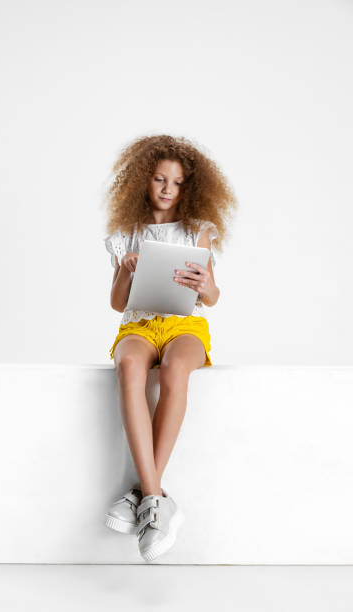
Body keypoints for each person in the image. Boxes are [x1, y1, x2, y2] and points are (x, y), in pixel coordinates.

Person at [102, 134, 237, 561]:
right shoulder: (128, 234)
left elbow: (211, 299)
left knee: (177, 371)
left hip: (184, 325)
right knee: (129, 368)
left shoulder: (198, 231)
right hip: (139, 324)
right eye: (159, 179)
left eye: (175, 182)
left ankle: (144, 494)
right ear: (142, 180)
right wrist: (125, 269)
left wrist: (208, 285)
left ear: (189, 187)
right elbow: (118, 303)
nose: (165, 188)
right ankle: (157, 498)